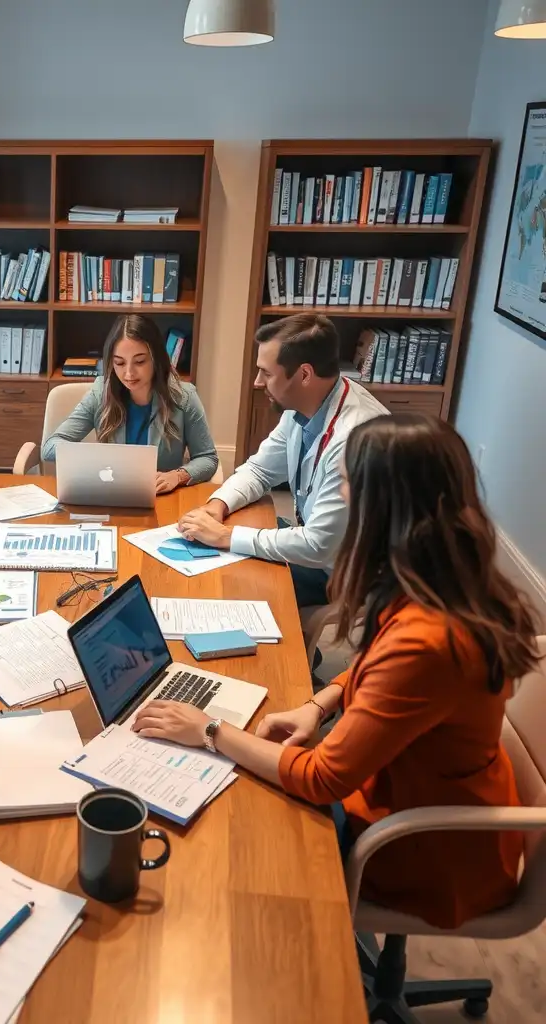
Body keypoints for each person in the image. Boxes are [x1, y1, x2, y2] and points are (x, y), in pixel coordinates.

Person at [133, 413, 541, 928]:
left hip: (424, 849)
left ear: (384, 505)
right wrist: (319, 702)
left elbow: (322, 778)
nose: (341, 495)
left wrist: (210, 731)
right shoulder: (443, 582)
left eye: (349, 481)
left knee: (225, 840)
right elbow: (382, 668)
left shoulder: (428, 639)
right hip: (426, 797)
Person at [178, 313, 385, 607]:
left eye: (266, 373)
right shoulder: (302, 405)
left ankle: (294, 653)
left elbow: (317, 547)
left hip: (341, 570)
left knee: (228, 580)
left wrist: (226, 536)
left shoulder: (354, 438)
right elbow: (259, 471)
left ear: (304, 375)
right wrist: (217, 506)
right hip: (315, 541)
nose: (257, 381)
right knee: (219, 541)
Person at [41, 314, 218, 493]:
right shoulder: (100, 393)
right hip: (111, 495)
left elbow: (207, 458)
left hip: (162, 499)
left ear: (156, 358)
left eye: (140, 361)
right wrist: (95, 457)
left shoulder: (184, 397)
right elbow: (50, 447)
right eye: (119, 363)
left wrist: (177, 475)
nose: (128, 373)